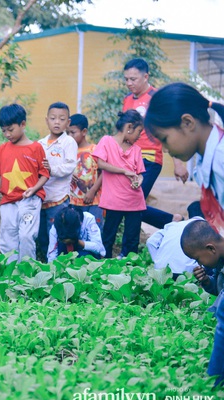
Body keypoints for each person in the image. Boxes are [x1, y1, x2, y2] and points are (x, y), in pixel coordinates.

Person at [145, 82, 224, 234]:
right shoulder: (203, 165)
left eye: (164, 139)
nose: (165, 149)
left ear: (188, 123)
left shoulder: (221, 159)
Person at [122, 58, 186, 228]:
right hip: (128, 160)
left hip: (149, 159)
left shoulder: (157, 98)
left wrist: (178, 163)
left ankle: (128, 251)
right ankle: (172, 221)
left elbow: (171, 129)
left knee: (132, 204)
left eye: (133, 79)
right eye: (126, 79)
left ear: (146, 77)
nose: (129, 83)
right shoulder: (127, 100)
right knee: (130, 205)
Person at [0, 104, 49, 262]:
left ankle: (26, 272)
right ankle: (10, 274)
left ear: (23, 124)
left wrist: (33, 189)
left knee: (26, 236)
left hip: (30, 200)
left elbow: (45, 174)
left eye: (10, 129)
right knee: (7, 237)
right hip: (8, 201)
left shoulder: (36, 148)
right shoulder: (2, 149)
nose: (7, 134)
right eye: (3, 130)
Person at [92, 110, 146, 258]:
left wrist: (138, 180)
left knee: (132, 240)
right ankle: (105, 267)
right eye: (139, 131)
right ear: (129, 127)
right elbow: (101, 163)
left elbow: (140, 173)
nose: (139, 136)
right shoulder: (106, 141)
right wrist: (124, 171)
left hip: (134, 201)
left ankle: (131, 269)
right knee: (108, 237)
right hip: (113, 201)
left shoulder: (136, 150)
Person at [180, 219, 224, 386]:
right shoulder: (219, 260)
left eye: (198, 259)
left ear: (210, 248)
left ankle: (214, 382)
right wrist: (207, 282)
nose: (199, 264)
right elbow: (220, 291)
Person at [37, 102, 78, 260]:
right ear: (47, 120)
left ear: (68, 123)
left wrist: (50, 170)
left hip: (58, 198)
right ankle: (43, 263)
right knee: (42, 235)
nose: (57, 122)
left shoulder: (69, 142)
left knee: (56, 233)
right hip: (41, 198)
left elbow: (69, 166)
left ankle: (58, 265)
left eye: (61, 119)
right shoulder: (40, 143)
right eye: (53, 118)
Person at [68, 113, 104, 229]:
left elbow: (104, 173)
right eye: (67, 133)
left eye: (73, 132)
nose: (69, 136)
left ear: (84, 132)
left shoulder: (95, 150)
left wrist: (92, 191)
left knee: (94, 231)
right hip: (72, 202)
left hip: (94, 201)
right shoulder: (66, 151)